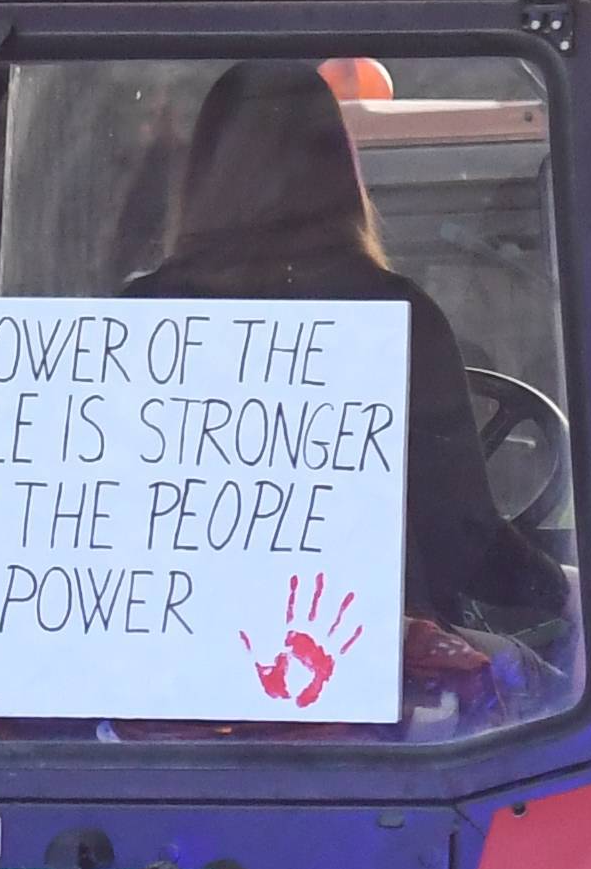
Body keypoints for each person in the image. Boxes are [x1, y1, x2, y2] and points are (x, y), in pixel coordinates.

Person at [128, 59, 567, 648]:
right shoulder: (398, 316)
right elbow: (459, 538)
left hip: (166, 652)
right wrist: (560, 593)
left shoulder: (137, 317)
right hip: (358, 662)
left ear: (203, 172)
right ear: (340, 171)